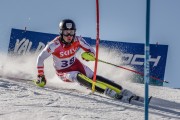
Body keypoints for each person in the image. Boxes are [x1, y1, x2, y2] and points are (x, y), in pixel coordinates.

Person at [35, 19, 136, 102]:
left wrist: (90, 55)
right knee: (76, 76)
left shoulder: (77, 40)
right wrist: (40, 75)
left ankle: (121, 90)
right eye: (66, 32)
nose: (69, 36)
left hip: (76, 64)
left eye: (71, 32)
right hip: (63, 72)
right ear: (61, 32)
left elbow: (90, 49)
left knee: (92, 76)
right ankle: (106, 91)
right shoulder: (53, 45)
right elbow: (40, 58)